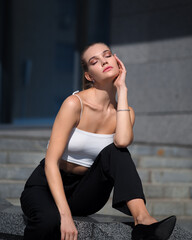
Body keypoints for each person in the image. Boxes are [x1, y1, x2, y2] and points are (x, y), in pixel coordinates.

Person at [20, 42, 176, 240]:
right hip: (47, 188)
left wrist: (123, 89)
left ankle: (144, 222)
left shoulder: (125, 112)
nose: (104, 62)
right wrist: (65, 216)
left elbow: (122, 142)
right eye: (95, 61)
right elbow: (51, 162)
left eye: (107, 55)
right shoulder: (74, 104)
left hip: (85, 192)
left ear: (118, 62)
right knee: (49, 221)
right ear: (89, 76)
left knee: (117, 152)